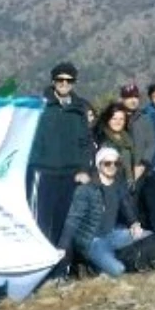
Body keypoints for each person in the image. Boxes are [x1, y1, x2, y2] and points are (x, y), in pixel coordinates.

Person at [28, 62, 93, 255]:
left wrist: (84, 169)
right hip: (44, 171)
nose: (64, 83)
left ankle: (60, 267)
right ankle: (40, 264)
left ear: (74, 82)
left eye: (69, 80)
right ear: (53, 80)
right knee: (41, 221)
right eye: (60, 79)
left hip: (71, 174)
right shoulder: (40, 105)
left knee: (65, 221)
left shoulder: (80, 108)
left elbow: (85, 142)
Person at [59, 147, 148, 276]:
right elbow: (73, 219)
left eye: (116, 163)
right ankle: (92, 266)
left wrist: (134, 223)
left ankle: (107, 261)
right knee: (119, 270)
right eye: (107, 163)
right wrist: (63, 246)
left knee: (148, 236)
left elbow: (126, 207)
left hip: (112, 234)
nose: (112, 166)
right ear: (98, 165)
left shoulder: (118, 185)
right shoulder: (87, 189)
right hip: (92, 241)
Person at [94, 103, 137, 186]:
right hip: (110, 185)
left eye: (121, 119)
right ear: (108, 119)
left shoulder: (127, 138)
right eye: (114, 118)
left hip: (128, 184)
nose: (118, 122)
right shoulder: (102, 139)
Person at [120, 84, 155, 184]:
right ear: (122, 99)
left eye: (136, 97)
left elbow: (151, 143)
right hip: (120, 170)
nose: (133, 100)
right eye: (129, 97)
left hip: (141, 169)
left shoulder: (145, 118)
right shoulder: (116, 118)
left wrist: (143, 165)